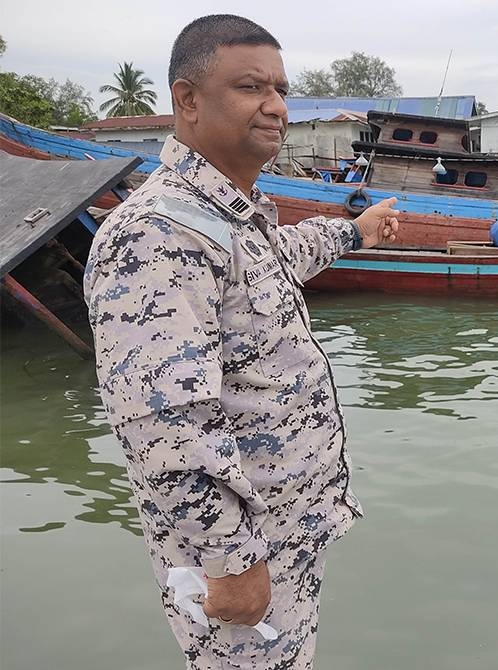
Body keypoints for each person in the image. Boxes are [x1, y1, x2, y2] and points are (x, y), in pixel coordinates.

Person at [83, 14, 398, 669]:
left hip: (284, 536)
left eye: (281, 88)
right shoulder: (154, 236)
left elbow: (282, 256)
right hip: (240, 554)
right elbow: (161, 420)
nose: (277, 106)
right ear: (188, 100)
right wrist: (230, 557)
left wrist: (355, 231)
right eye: (252, 86)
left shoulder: (228, 221)